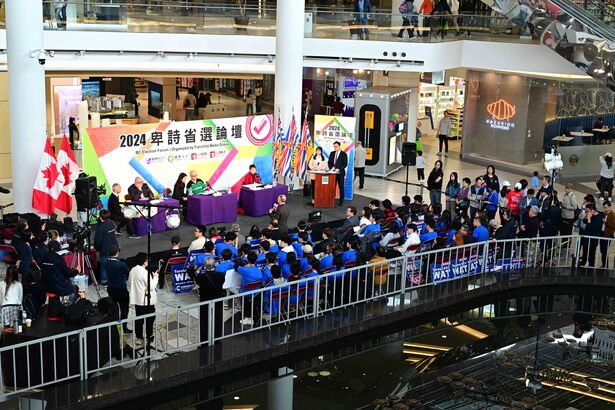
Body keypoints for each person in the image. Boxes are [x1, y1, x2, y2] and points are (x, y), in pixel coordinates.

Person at [189, 257, 225, 342]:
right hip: (217, 300)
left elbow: (196, 279)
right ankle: (217, 340)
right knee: (218, 320)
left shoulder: (201, 277)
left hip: (205, 301)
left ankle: (204, 342)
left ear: (204, 266)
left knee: (204, 322)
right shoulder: (221, 275)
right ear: (215, 265)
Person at [128, 253, 158, 345]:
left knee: (139, 319)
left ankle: (139, 337)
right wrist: (156, 277)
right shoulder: (145, 273)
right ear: (144, 262)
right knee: (149, 319)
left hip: (137, 299)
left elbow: (129, 282)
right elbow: (152, 286)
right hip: (145, 300)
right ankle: (149, 337)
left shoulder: (133, 270)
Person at [104, 245, 131, 333]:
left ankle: (115, 328)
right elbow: (128, 272)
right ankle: (124, 327)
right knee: (124, 309)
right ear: (117, 253)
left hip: (111, 288)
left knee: (114, 308)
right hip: (121, 289)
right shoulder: (121, 264)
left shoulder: (106, 262)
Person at [94, 210, 119, 285]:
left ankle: (104, 280)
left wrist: (96, 248)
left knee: (104, 266)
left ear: (101, 217)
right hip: (114, 247)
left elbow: (97, 240)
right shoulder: (112, 223)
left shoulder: (100, 228)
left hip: (105, 249)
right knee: (114, 263)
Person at [328, 141, 348, 206]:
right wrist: (332, 168)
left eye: (336, 146)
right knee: (332, 187)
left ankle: (341, 201)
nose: (335, 148)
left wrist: (339, 169)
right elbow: (329, 162)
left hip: (340, 173)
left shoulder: (344, 154)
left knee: (341, 187)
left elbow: (345, 164)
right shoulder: (332, 153)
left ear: (339, 146)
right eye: (334, 146)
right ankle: (331, 200)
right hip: (333, 173)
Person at [601, 200, 615, 267]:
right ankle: (603, 264)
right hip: (602, 234)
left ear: (610, 207)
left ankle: (605, 265)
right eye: (604, 207)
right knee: (602, 250)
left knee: (605, 250)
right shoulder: (604, 213)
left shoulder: (612, 215)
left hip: (608, 235)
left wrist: (606, 222)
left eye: (606, 207)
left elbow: (614, 226)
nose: (605, 209)